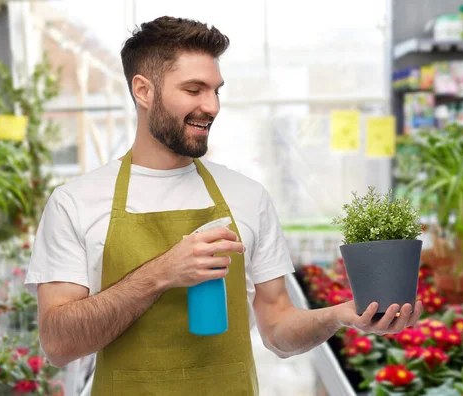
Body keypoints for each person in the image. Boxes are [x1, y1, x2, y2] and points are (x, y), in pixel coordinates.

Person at [25, 16, 423, 396]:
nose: (212, 106)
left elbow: (278, 327)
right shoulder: (75, 203)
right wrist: (161, 273)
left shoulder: (247, 196)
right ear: (143, 91)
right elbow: (59, 343)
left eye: (216, 90)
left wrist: (339, 315)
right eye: (194, 90)